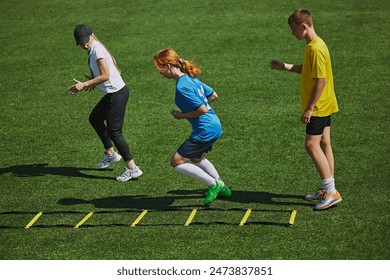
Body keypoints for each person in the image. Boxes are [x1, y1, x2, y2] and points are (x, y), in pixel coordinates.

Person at [270, 9, 342, 210]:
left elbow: (321, 80)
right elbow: (309, 70)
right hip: (325, 103)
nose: (292, 33)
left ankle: (331, 192)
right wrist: (285, 66)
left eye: (293, 29)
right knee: (324, 144)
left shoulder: (316, 49)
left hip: (318, 106)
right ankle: (329, 187)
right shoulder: (314, 45)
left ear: (303, 26)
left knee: (311, 145)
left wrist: (309, 108)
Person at [153, 48, 231, 205]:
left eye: (160, 68)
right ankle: (223, 189)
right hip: (214, 125)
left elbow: (201, 110)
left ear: (168, 65)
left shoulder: (182, 87)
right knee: (196, 157)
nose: (160, 73)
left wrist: (181, 115)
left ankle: (215, 185)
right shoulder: (190, 78)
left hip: (205, 130)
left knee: (176, 161)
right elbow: (213, 95)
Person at [69, 24, 142, 182]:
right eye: (81, 42)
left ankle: (133, 168)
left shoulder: (97, 50)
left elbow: (106, 76)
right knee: (95, 118)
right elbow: (111, 65)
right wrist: (93, 81)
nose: (84, 45)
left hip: (116, 94)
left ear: (92, 35)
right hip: (113, 93)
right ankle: (111, 154)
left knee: (115, 132)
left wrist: (86, 84)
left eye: (85, 41)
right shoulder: (96, 47)